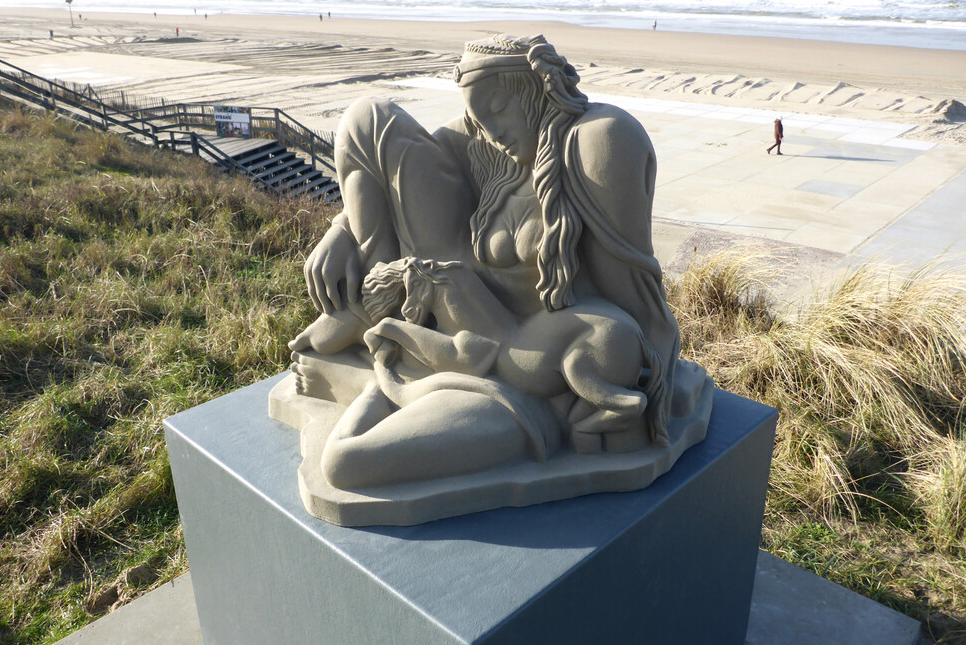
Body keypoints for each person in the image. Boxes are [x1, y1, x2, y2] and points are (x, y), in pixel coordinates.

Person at [291, 34, 703, 488]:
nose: (491, 131)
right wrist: (341, 229)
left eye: (499, 109)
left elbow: (634, 295)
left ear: (535, 90)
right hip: (453, 300)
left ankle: (383, 356)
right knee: (367, 115)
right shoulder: (483, 143)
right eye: (478, 117)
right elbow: (384, 168)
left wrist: (654, 378)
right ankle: (373, 307)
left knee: (347, 464)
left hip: (524, 368)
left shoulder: (596, 140)